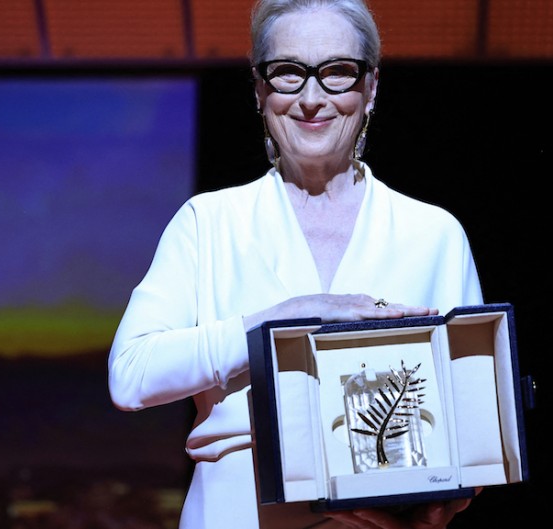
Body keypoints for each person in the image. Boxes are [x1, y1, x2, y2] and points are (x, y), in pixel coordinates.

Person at [109, 1, 485, 527]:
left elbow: (474, 418)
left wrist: (440, 504)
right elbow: (130, 376)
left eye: (337, 72)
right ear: (259, 89)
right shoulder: (208, 222)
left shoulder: (432, 234)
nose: (311, 98)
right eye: (288, 72)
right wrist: (277, 320)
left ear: (371, 87)